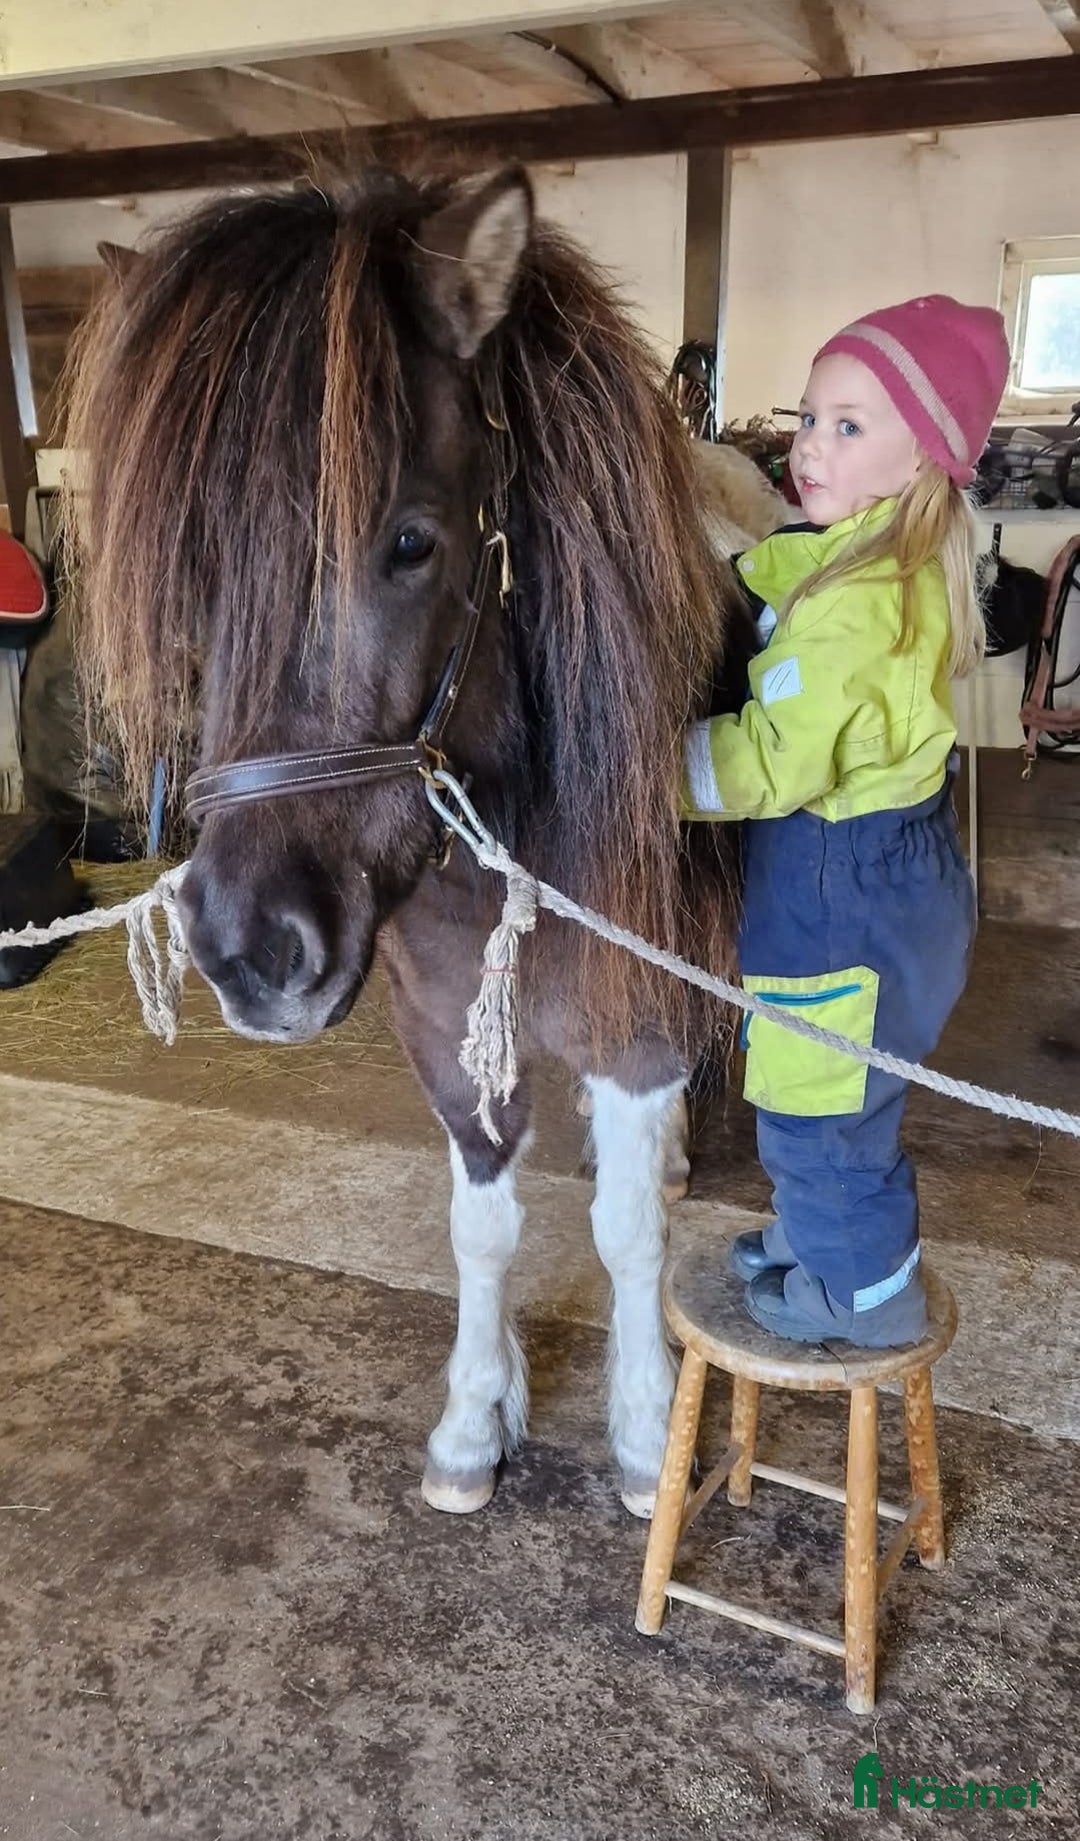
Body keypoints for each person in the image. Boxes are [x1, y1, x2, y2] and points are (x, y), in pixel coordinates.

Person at [683, 295, 1010, 1346]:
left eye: (848, 425)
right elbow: (791, 563)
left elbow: (769, 761)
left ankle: (867, 1295)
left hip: (845, 900)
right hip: (882, 885)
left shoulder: (858, 610)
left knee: (820, 1110)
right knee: (831, 1095)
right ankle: (821, 1234)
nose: (810, 444)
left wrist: (654, 768)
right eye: (810, 416)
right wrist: (724, 574)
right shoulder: (868, 561)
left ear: (917, 465)